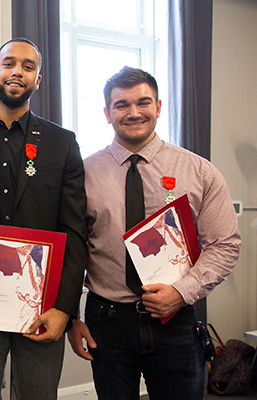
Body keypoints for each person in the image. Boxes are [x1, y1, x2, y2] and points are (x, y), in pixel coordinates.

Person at [68, 66, 241, 399]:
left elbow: (225, 246)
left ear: (159, 107)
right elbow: (73, 249)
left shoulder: (199, 171)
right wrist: (72, 317)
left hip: (176, 319)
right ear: (107, 113)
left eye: (143, 102)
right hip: (107, 320)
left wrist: (182, 291)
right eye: (121, 105)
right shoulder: (82, 174)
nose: (133, 112)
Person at [0, 38, 88, 400]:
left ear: (38, 80)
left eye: (28, 67)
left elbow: (75, 231)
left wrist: (65, 307)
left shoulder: (62, 143)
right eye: (9, 63)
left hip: (42, 305)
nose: (18, 72)